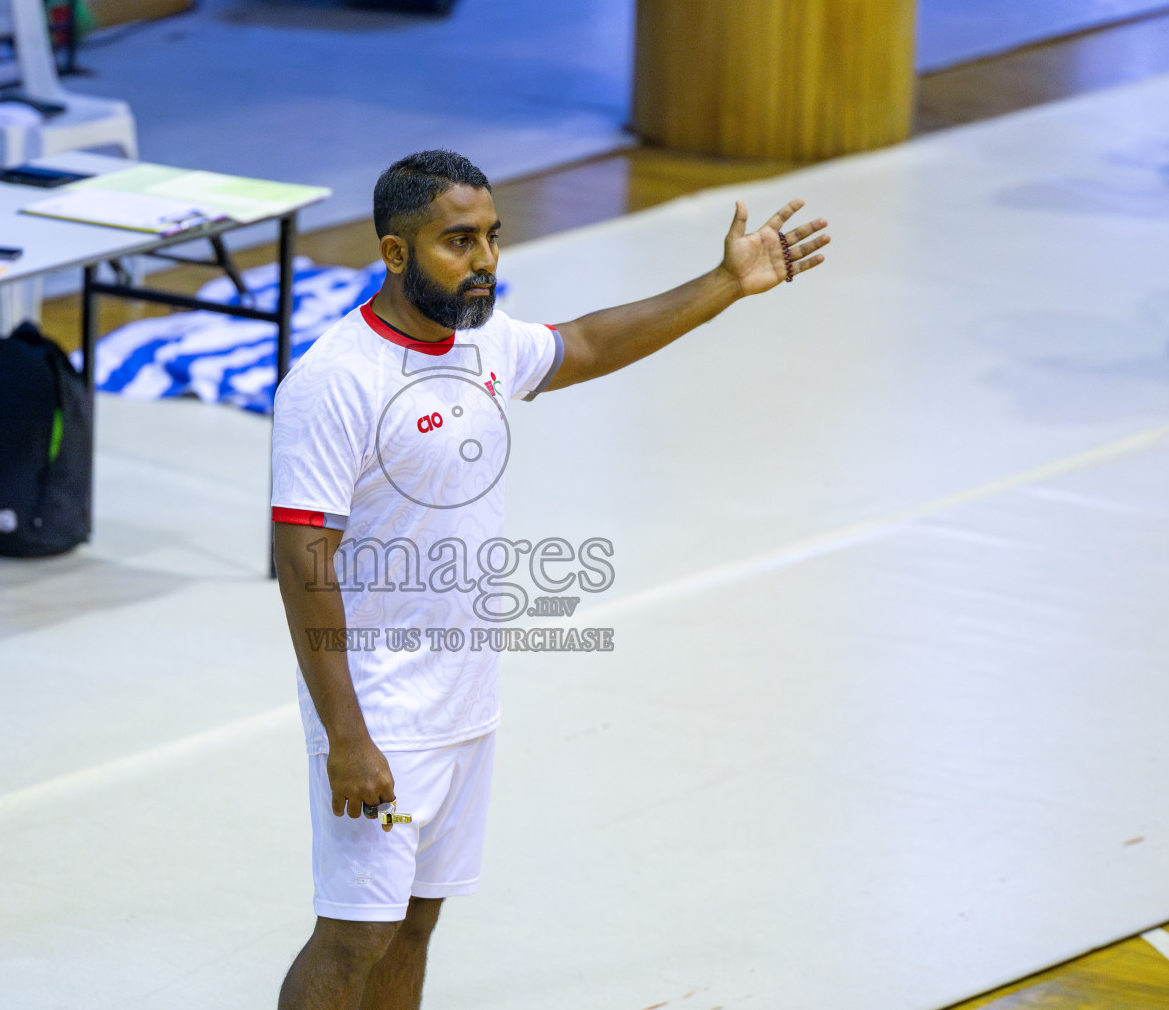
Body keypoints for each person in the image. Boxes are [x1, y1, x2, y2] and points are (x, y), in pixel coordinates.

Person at [270, 149, 830, 1010]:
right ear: (394, 252)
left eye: (493, 237)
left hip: (464, 703)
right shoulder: (335, 381)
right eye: (459, 241)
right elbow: (301, 563)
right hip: (380, 709)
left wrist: (725, 284)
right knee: (354, 935)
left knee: (416, 922)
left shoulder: (484, 342)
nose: (486, 260)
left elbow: (592, 342)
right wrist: (347, 735)